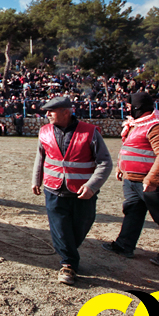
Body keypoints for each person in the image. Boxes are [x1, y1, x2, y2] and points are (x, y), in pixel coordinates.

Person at [32, 96, 112, 285]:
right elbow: (40, 156)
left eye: (51, 111)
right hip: (53, 189)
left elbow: (105, 162)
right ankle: (68, 264)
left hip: (82, 192)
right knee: (59, 227)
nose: (47, 114)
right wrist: (36, 179)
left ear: (66, 112)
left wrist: (92, 186)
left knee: (82, 225)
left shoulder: (90, 132)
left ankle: (67, 250)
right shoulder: (44, 131)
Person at [103, 92, 159, 267]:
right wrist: (121, 167)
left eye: (129, 107)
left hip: (151, 182)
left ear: (138, 107)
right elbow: (129, 148)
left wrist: (152, 179)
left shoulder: (158, 126)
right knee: (132, 211)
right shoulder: (136, 125)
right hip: (132, 179)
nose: (127, 111)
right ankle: (124, 245)